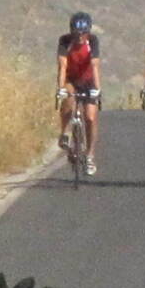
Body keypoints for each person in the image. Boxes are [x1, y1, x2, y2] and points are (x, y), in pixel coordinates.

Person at [54, 11, 102, 176]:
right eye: (76, 33)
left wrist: (97, 89)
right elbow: (62, 66)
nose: (80, 37)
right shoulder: (65, 41)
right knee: (67, 96)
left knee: (90, 117)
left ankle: (90, 155)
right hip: (72, 80)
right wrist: (60, 89)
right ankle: (65, 132)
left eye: (83, 33)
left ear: (88, 31)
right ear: (71, 31)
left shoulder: (93, 41)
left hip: (88, 81)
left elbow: (95, 65)